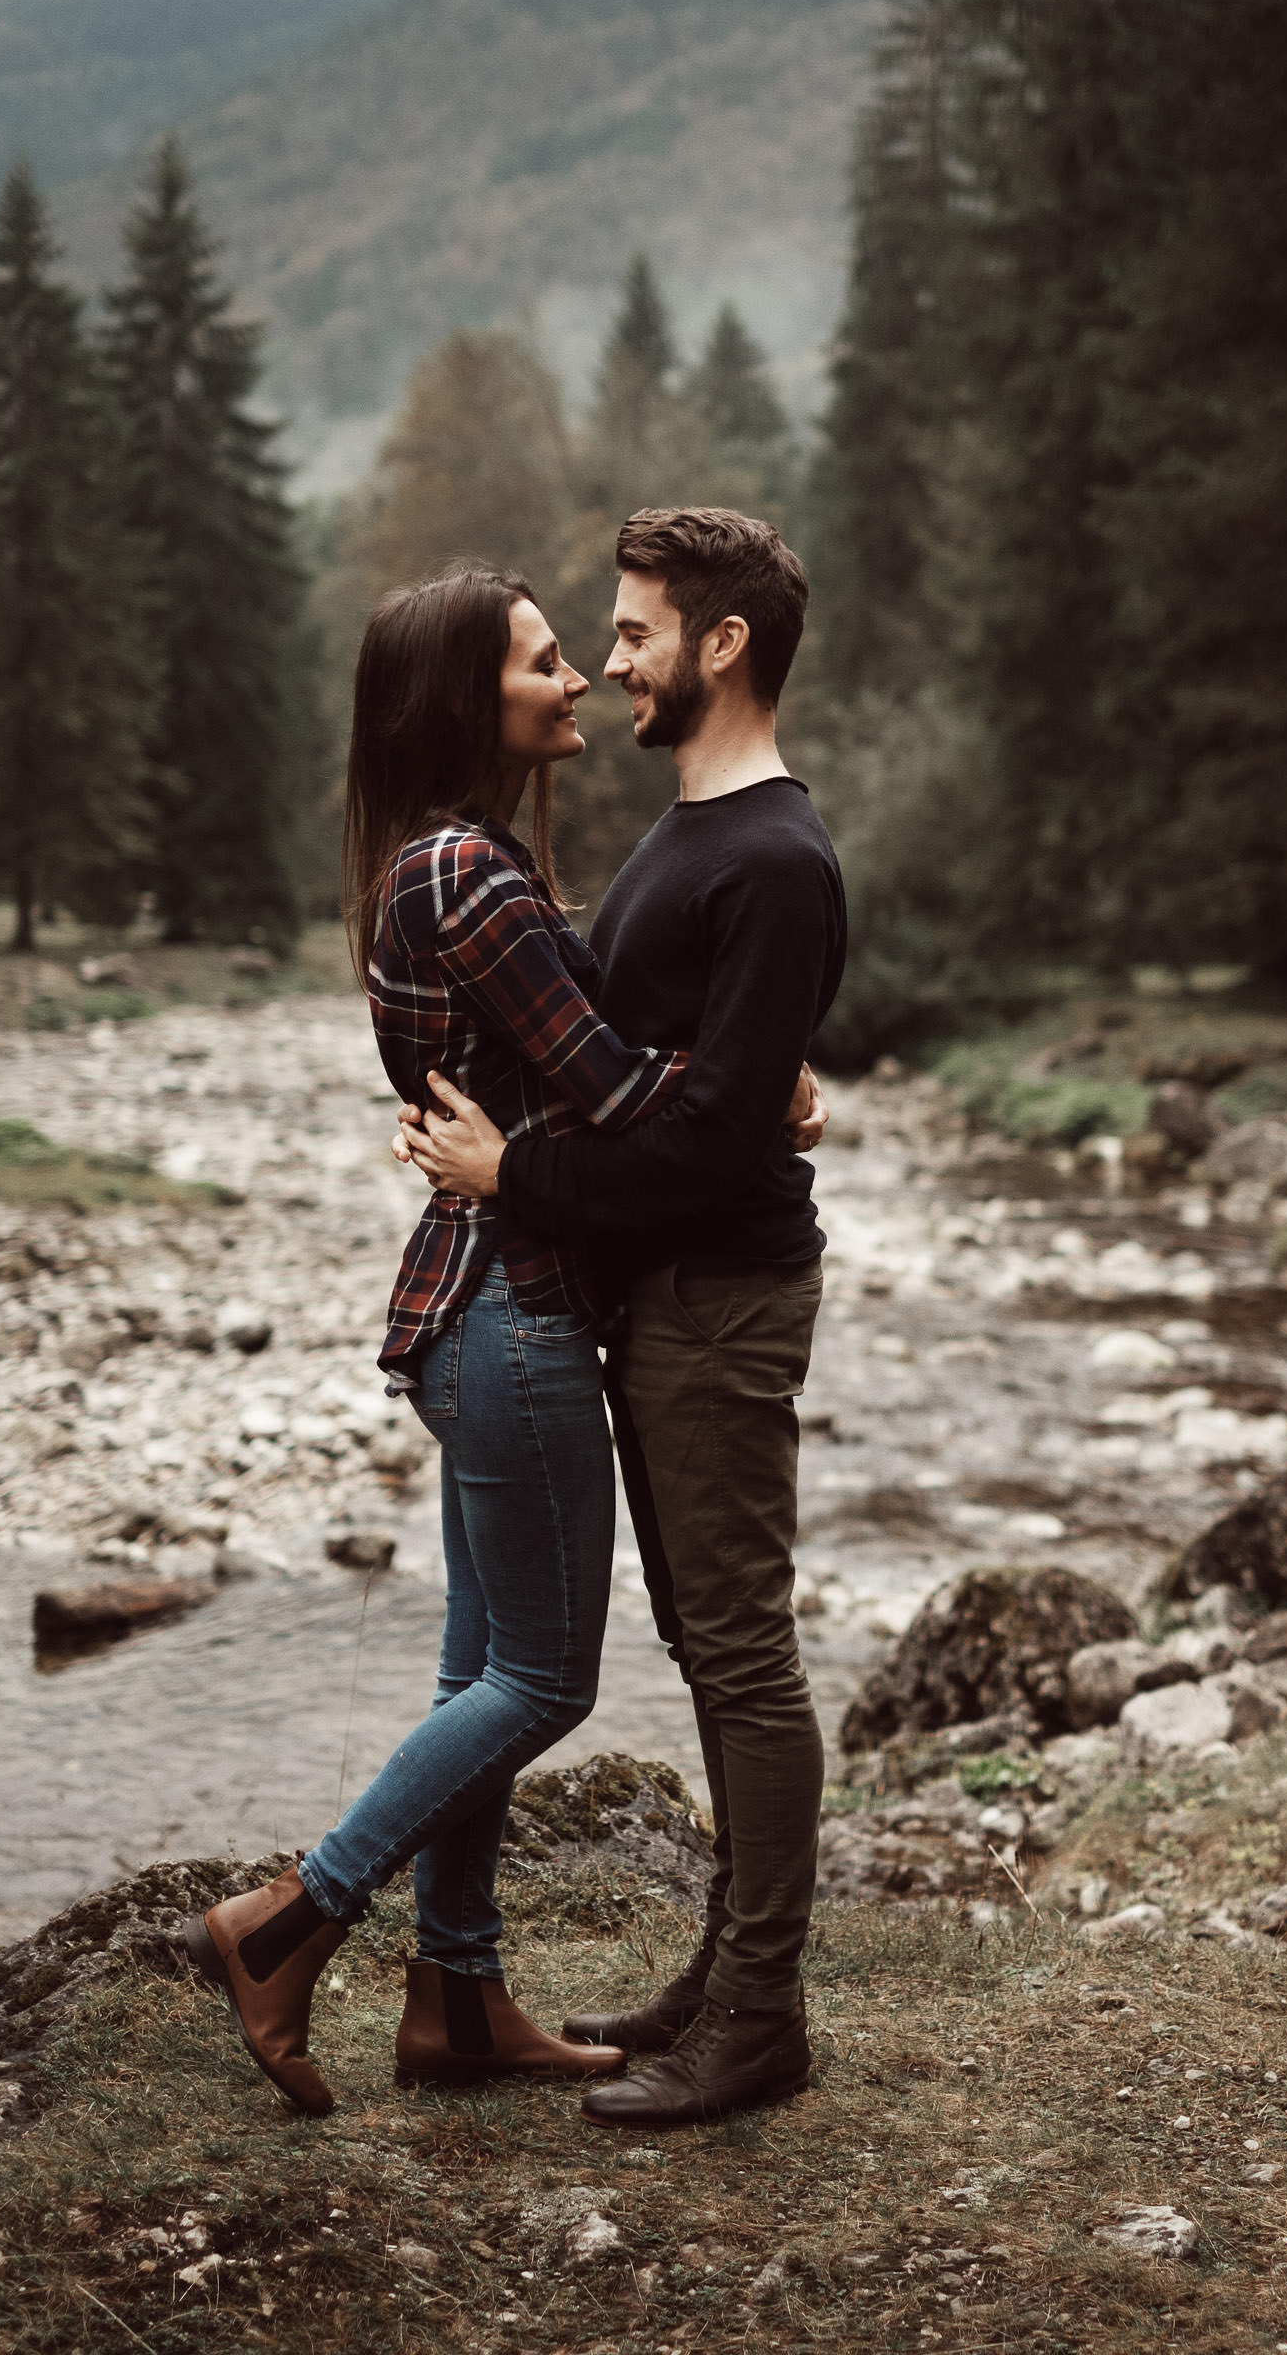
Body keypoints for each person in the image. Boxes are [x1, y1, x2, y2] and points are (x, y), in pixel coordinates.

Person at [188, 564, 751, 2115]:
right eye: (541, 661)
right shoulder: (469, 877)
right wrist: (753, 1081)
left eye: (575, 656)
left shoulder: (449, 865)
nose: (573, 678)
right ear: (464, 699)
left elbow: (581, 1080)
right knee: (544, 1682)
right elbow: (618, 1095)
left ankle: (456, 2000)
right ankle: (295, 1916)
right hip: (515, 1311)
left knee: (473, 1670)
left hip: (477, 1305)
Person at [408, 505, 847, 2130]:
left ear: (722, 644)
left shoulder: (778, 856)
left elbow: (706, 1136)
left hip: (726, 1298)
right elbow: (674, 1065)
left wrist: (515, 1174)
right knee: (699, 1640)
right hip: (667, 1295)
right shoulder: (689, 836)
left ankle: (763, 2020)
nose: (612, 658)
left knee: (741, 1650)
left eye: (638, 630)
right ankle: (723, 1975)